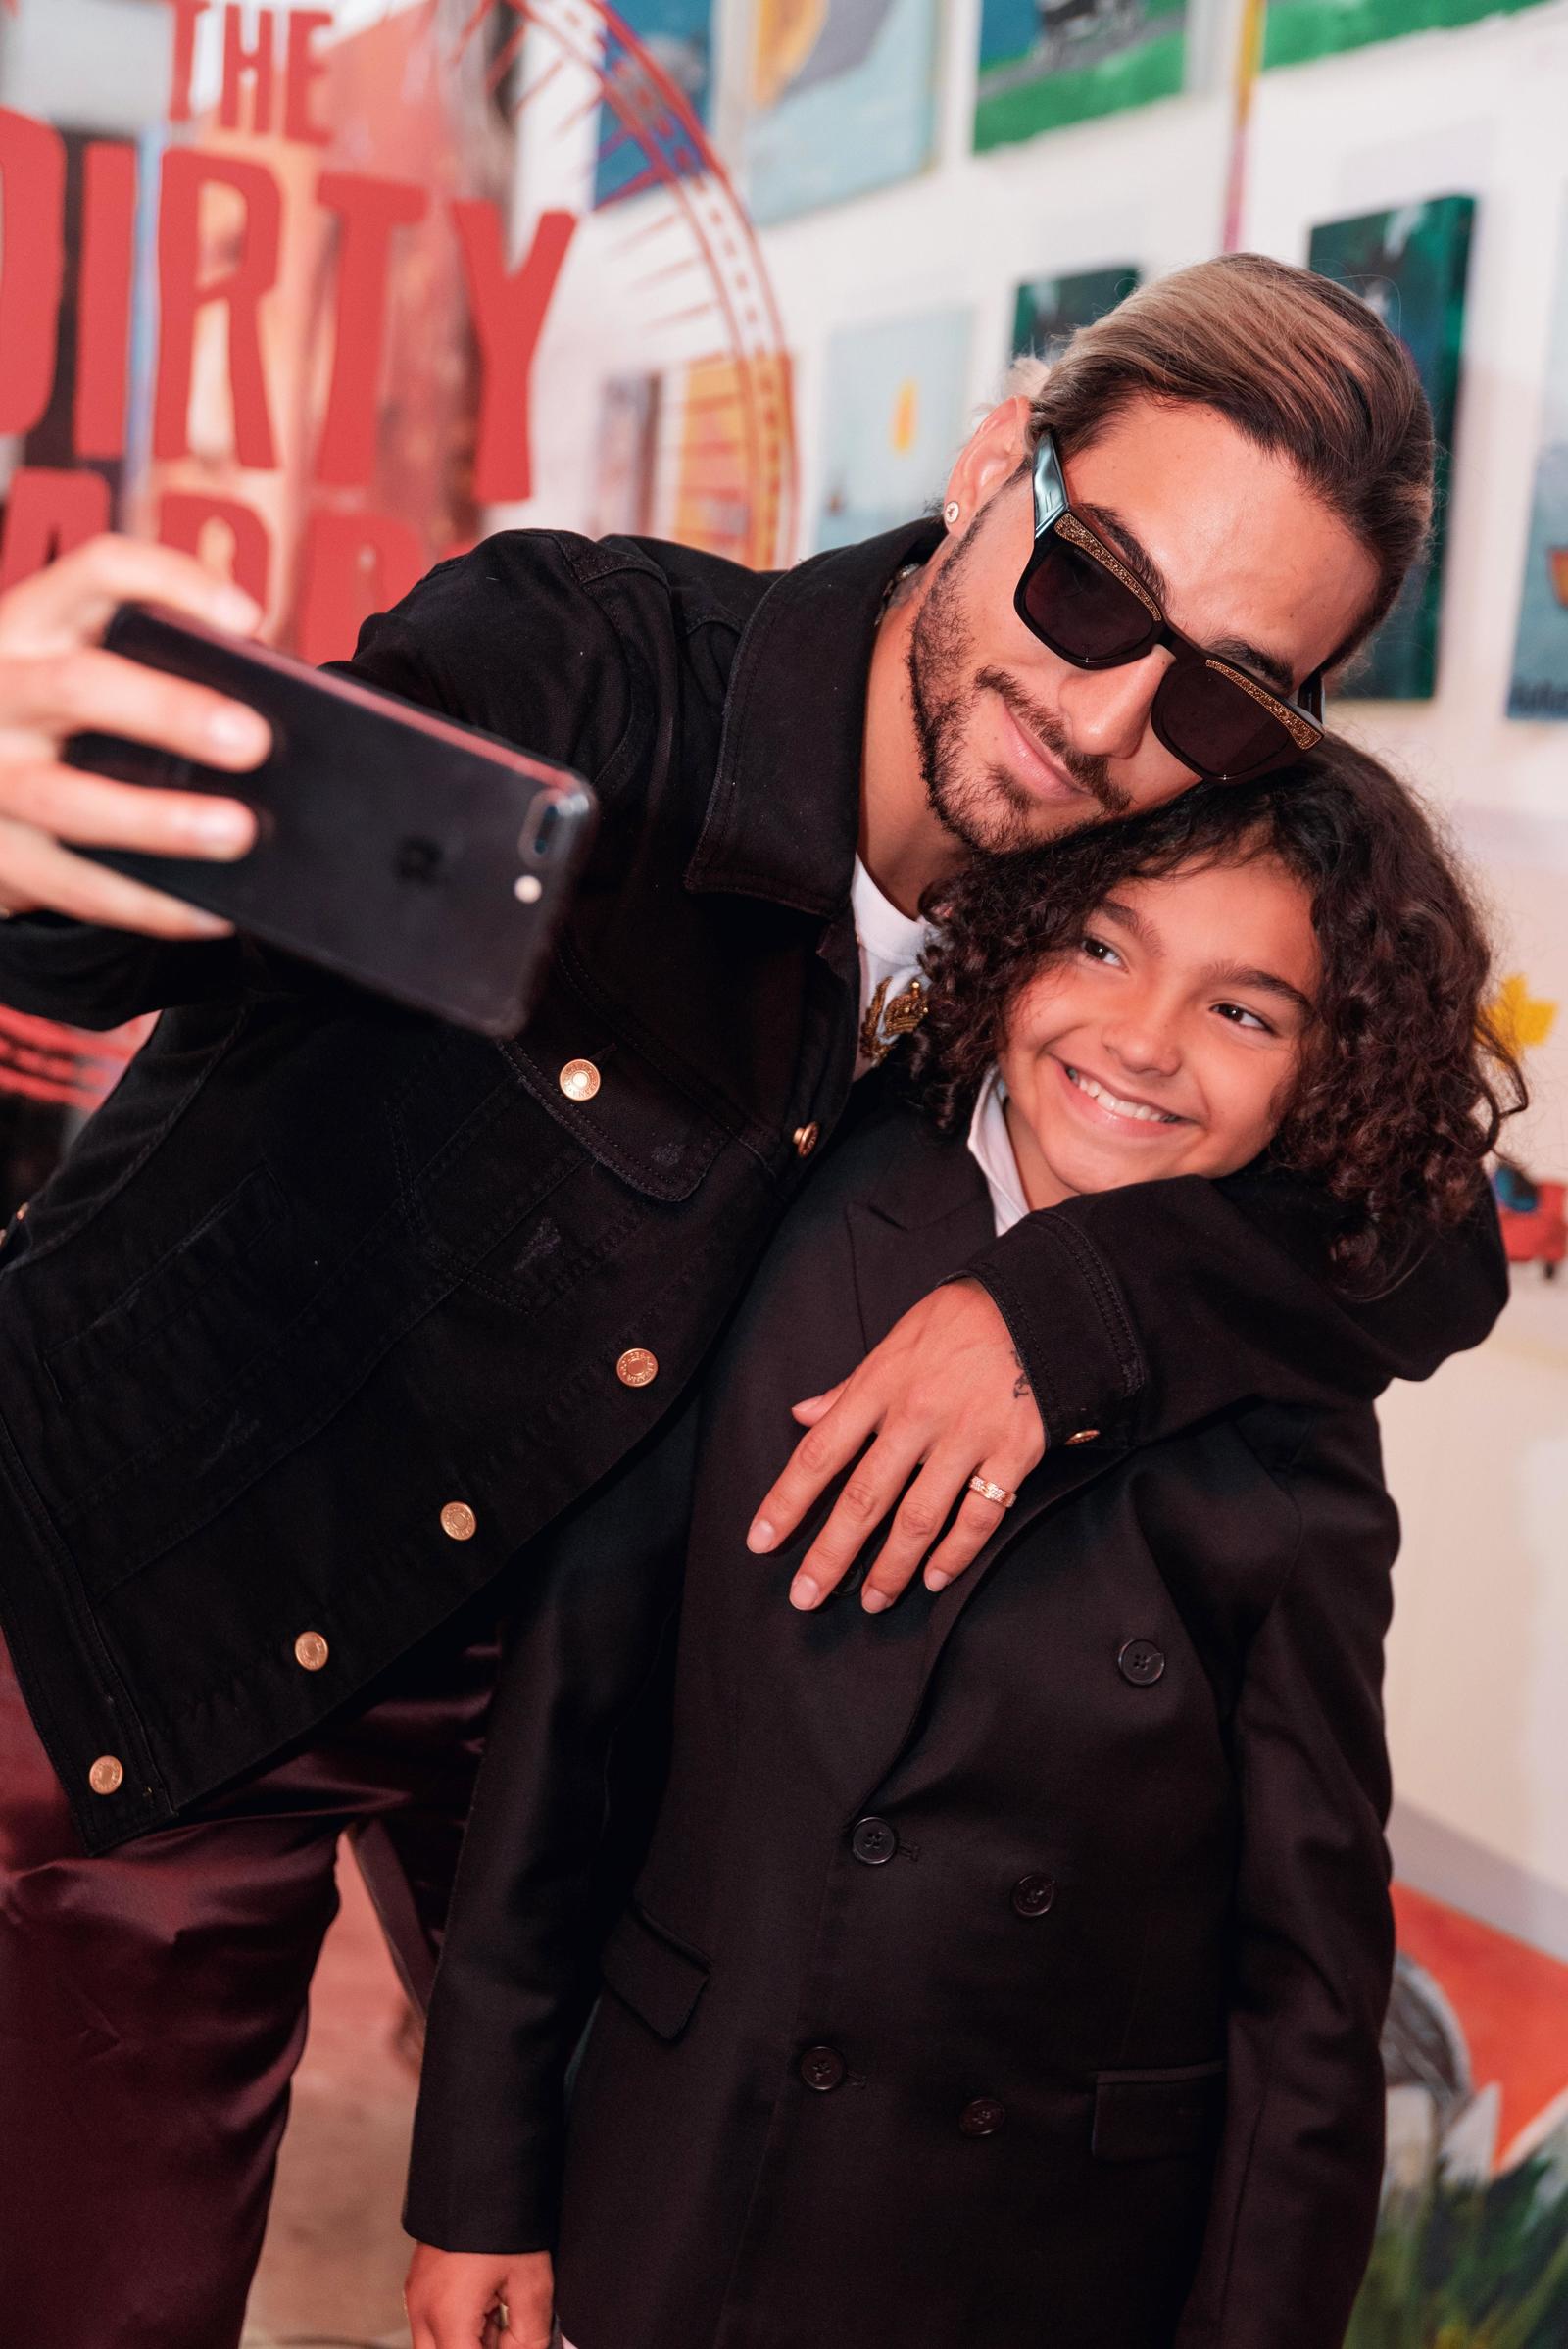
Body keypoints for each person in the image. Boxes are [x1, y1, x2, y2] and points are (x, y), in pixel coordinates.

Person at [0, 258, 1505, 2345]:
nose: (1102, 718)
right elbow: (147, 900)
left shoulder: (1109, 885)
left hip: (558, 1721)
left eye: (1224, 696)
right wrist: (24, 819)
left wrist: (1069, 1309)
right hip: (153, 1601)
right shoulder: (580, 671)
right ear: (995, 462)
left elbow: (1423, 1229)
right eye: (1090, 591)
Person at [402, 742, 1523, 2349]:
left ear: (1326, 1073)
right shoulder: (785, 1209)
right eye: (1103, 944)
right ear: (1013, 929)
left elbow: (1307, 1981)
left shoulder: (1297, 1430)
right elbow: (567, 1723)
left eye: (1244, 1010)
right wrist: (481, 2179)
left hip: (1035, 2267)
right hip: (673, 2187)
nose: (1141, 1039)